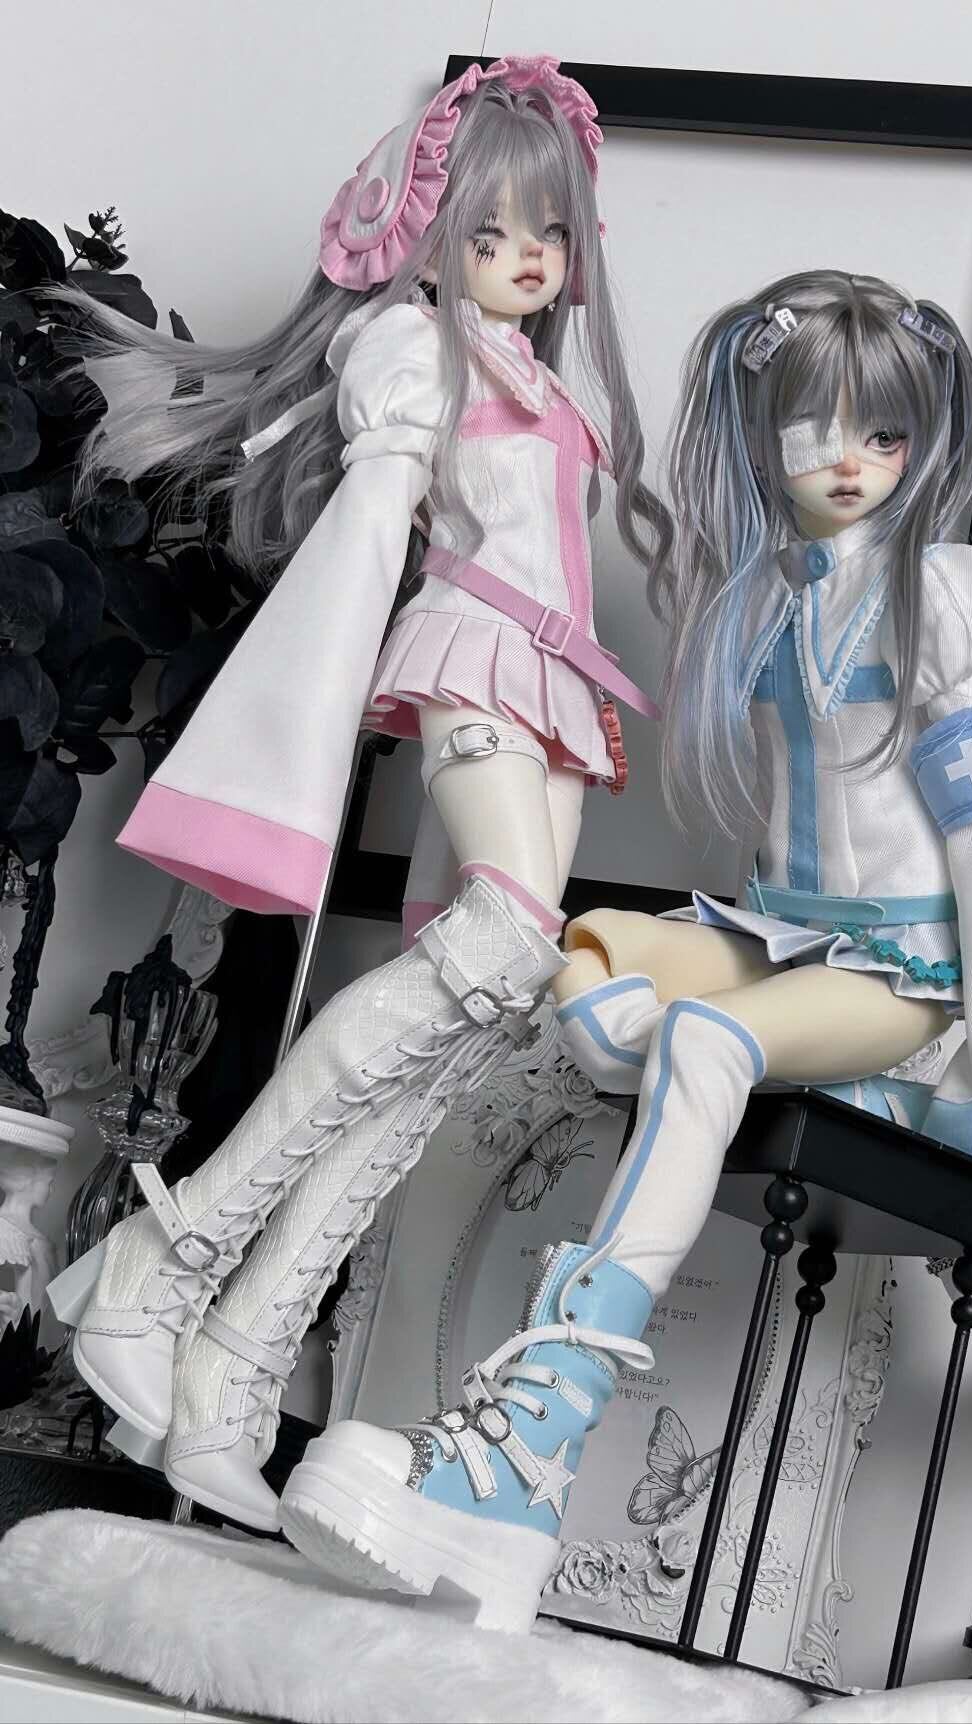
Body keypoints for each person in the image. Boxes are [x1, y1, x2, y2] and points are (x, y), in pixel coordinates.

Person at [276, 270, 972, 1634]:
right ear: (761, 433)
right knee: (589, 956)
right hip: (788, 942)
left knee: (704, 1041)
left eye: (884, 434)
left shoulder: (946, 595)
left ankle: (534, 1446)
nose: (851, 461)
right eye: (816, 428)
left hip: (904, 982)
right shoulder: (763, 603)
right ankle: (757, 1089)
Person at [48, 55, 670, 1533]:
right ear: (428, 238)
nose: (526, 257)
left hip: (556, 692)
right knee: (502, 944)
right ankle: (167, 1256)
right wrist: (300, 719)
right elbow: (378, 515)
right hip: (472, 668)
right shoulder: (411, 348)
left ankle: (235, 1370)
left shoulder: (545, 377)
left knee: (482, 1010)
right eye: (490, 231)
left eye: (549, 231)